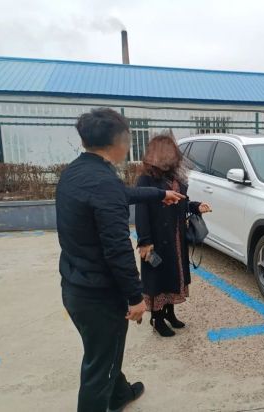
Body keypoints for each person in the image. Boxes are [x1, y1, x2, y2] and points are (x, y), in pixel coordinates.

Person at [56, 108, 184, 412]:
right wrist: (136, 297)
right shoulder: (104, 183)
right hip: (99, 296)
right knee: (99, 368)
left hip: (74, 285)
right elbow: (117, 249)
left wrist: (158, 194)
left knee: (104, 353)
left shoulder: (76, 172)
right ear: (119, 141)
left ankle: (119, 394)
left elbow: (119, 194)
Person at [135, 132, 211, 337]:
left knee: (174, 276)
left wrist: (195, 206)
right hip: (156, 237)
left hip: (176, 235)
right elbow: (141, 212)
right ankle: (157, 318)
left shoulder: (174, 175)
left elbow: (182, 201)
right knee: (158, 278)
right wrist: (145, 241)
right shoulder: (146, 179)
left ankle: (170, 313)